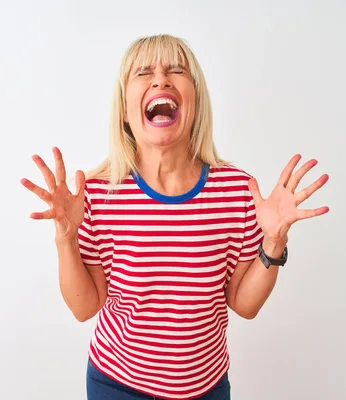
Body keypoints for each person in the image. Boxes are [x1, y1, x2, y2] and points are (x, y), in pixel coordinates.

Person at [21, 34, 329, 400]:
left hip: (207, 388)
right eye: (144, 72)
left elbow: (244, 305)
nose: (161, 79)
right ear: (124, 109)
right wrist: (65, 237)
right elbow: (84, 307)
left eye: (177, 70)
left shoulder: (237, 190)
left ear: (195, 102)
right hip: (117, 384)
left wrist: (274, 240)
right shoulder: (100, 193)